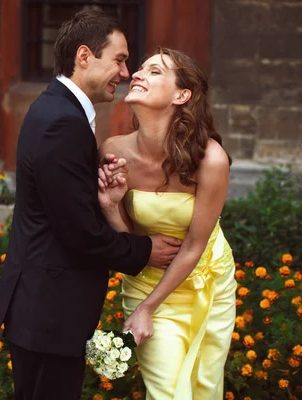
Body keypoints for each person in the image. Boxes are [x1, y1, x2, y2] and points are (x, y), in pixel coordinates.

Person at [0, 10, 183, 400]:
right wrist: (145, 250)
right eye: (118, 59)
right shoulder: (63, 122)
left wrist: (106, 197)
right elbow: (79, 234)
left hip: (43, 310)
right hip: (49, 313)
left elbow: (66, 208)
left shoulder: (57, 110)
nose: (126, 72)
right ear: (84, 56)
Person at [97, 47, 237, 399]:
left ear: (182, 95)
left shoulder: (211, 159)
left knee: (205, 389)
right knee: (168, 393)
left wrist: (147, 310)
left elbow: (194, 245)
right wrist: (111, 207)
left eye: (155, 71)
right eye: (140, 68)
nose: (138, 74)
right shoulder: (114, 150)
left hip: (207, 282)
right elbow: (130, 241)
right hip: (147, 282)